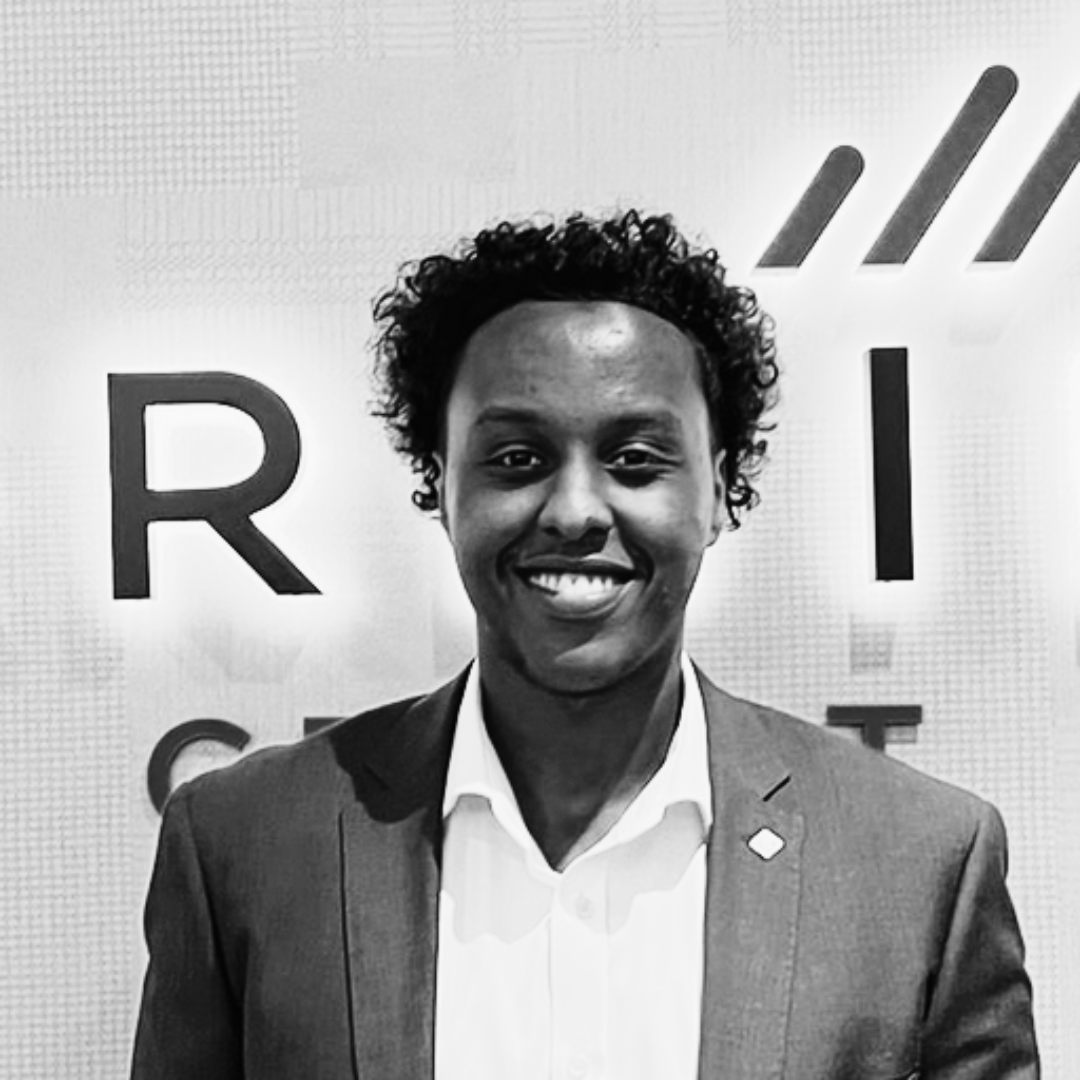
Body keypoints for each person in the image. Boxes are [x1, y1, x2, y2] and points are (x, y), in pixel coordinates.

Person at [130, 211, 1039, 1079]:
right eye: (516, 459)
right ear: (439, 486)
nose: (574, 511)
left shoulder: (922, 863)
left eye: (635, 460)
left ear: (719, 492)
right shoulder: (243, 845)